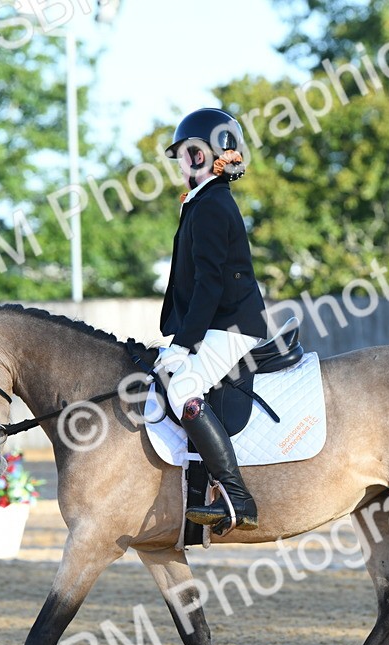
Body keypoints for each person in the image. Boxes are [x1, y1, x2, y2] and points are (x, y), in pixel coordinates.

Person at [155, 108, 269, 533]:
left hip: (231, 325)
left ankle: (239, 498)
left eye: (186, 153)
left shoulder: (211, 205)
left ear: (203, 155)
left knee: (181, 386)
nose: (181, 162)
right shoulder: (202, 202)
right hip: (217, 324)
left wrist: (184, 344)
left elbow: (209, 285)